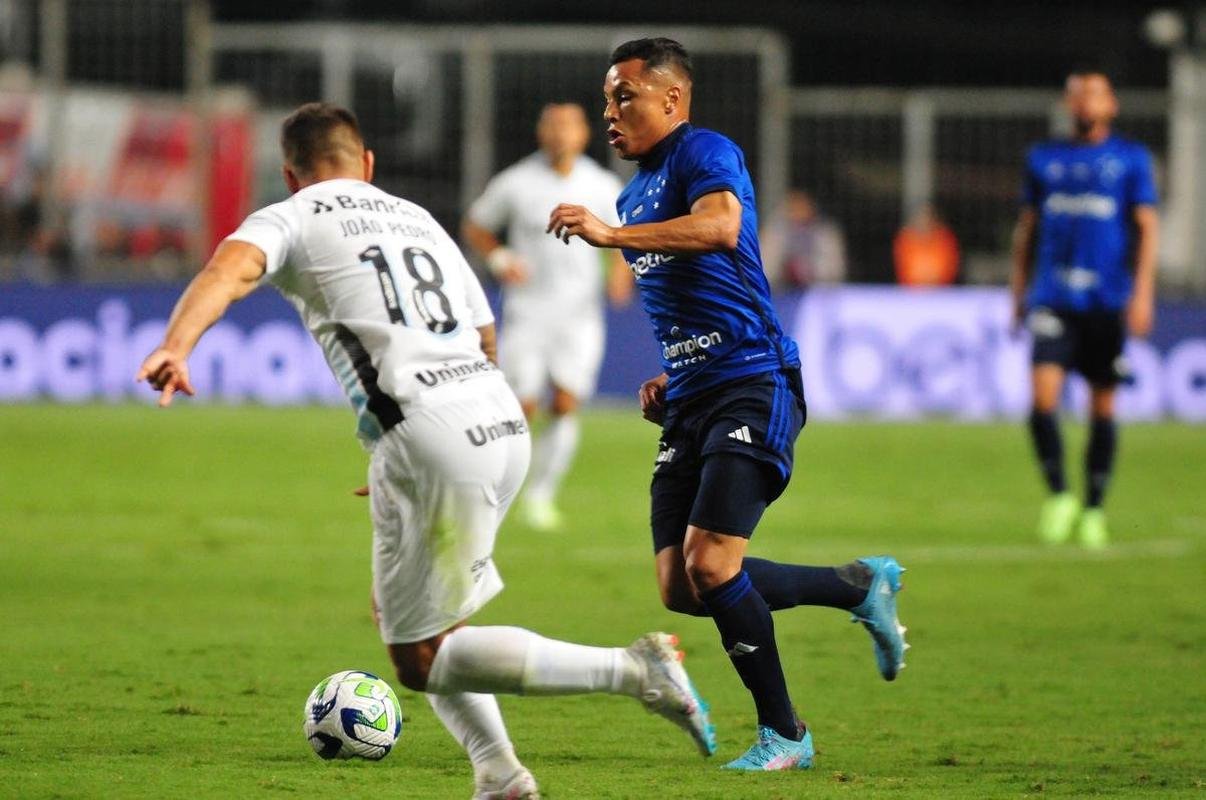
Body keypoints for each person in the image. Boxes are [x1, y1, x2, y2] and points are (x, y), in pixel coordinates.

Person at [136, 102, 714, 800]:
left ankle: (633, 671)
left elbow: (227, 272)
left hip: (430, 434)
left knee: (417, 657)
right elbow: (485, 333)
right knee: (427, 620)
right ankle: (499, 774)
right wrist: (416, 454)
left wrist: (176, 345)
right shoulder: (414, 217)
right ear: (367, 163)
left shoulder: (291, 216)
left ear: (290, 174)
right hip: (496, 419)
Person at [547, 38, 908, 771]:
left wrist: (611, 236)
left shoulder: (704, 153)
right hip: (693, 394)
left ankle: (786, 734)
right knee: (681, 586)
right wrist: (671, 370)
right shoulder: (633, 193)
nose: (610, 113)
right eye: (607, 99)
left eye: (625, 97)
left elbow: (720, 227)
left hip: (752, 380)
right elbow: (690, 296)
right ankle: (856, 586)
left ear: (671, 99)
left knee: (712, 564)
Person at [462, 103, 631, 531]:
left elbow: (623, 237)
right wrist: (500, 258)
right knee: (522, 405)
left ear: (584, 133)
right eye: (552, 125)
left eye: (568, 126)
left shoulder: (600, 184)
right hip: (528, 312)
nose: (560, 134)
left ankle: (541, 495)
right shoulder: (517, 181)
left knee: (566, 402)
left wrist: (621, 276)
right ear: (541, 132)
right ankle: (498, 489)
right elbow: (476, 225)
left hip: (580, 315)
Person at [1010, 68, 1159, 549]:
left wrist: (1143, 293)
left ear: (1111, 105)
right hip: (1053, 297)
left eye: (1094, 94)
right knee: (1042, 400)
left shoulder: (1130, 159)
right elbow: (1027, 230)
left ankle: (1094, 507)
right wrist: (1017, 293)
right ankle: (1059, 495)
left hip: (1106, 301)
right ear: (1067, 104)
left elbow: (1147, 229)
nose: (1085, 102)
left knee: (1103, 406)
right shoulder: (1044, 158)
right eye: (1077, 95)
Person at [759, 188, 846, 290]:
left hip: (816, 293)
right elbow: (763, 269)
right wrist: (784, 270)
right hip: (778, 292)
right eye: (793, 210)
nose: (798, 214)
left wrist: (807, 271)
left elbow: (835, 270)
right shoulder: (773, 233)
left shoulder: (826, 234)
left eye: (802, 209)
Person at [893, 203, 960, 286]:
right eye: (921, 218)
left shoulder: (945, 240)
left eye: (928, 218)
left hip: (941, 290)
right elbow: (904, 269)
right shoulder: (905, 240)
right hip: (912, 290)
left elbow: (949, 268)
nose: (924, 222)